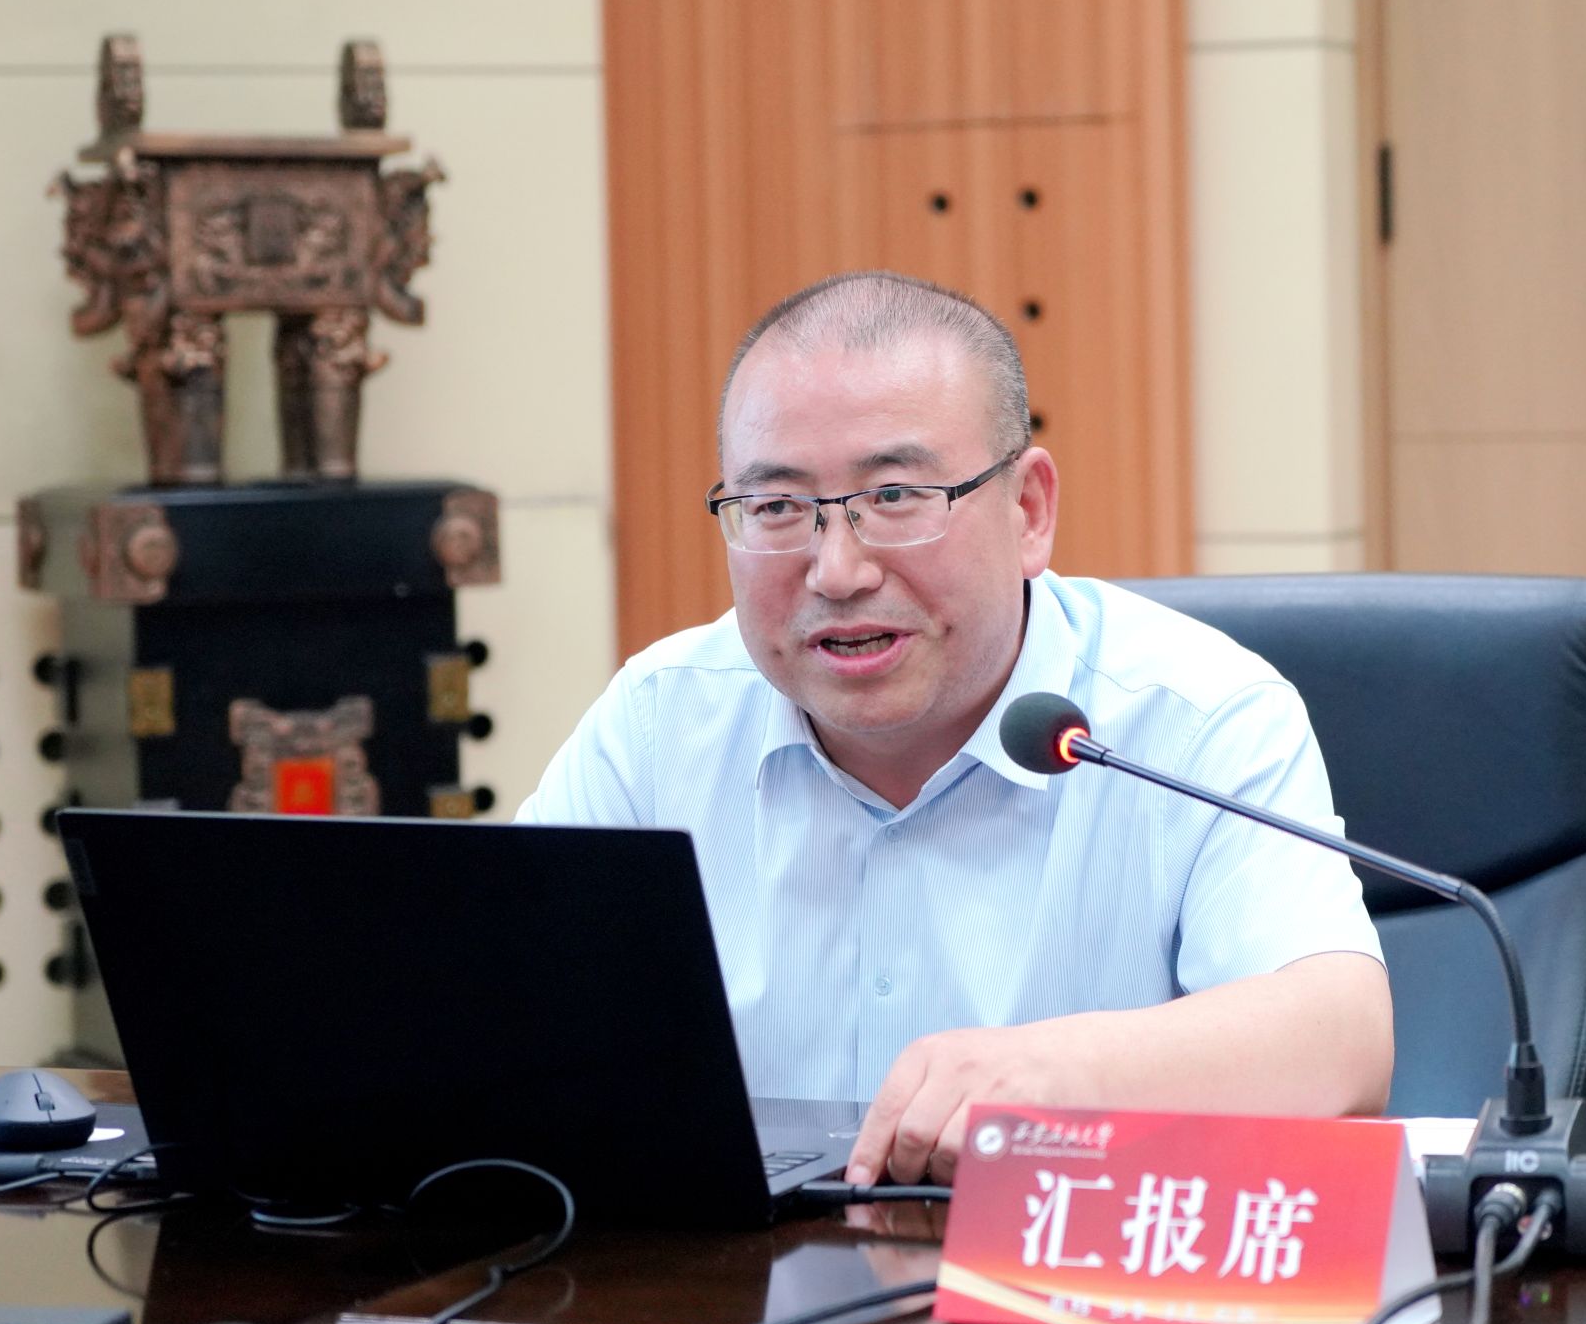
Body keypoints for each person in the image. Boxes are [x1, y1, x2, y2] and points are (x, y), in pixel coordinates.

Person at [519, 271, 1390, 1186]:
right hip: (739, 1271)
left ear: (1028, 510)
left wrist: (1057, 1074)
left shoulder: (1194, 716)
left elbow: (1341, 1039)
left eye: (896, 496)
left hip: (1060, 1265)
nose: (838, 571)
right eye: (776, 509)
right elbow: (497, 1013)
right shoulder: (661, 720)